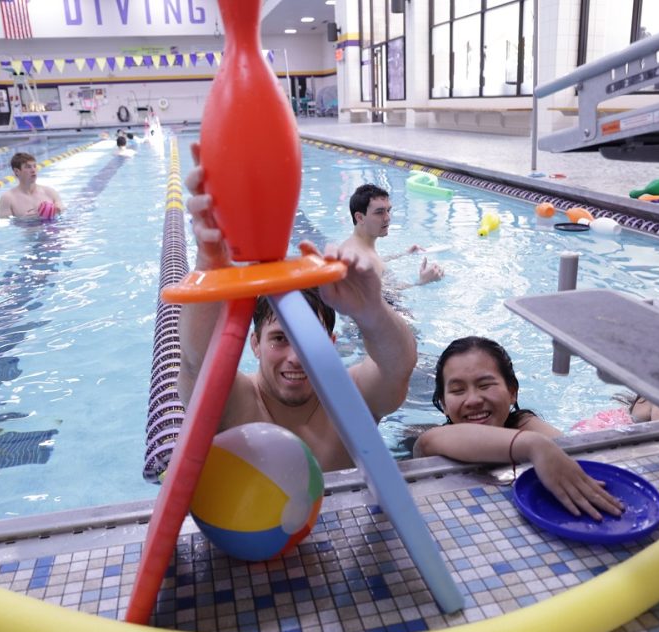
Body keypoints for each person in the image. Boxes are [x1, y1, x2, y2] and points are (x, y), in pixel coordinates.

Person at [178, 143, 417, 472]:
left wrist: (372, 311)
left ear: (332, 345)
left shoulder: (352, 397)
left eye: (310, 338)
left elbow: (398, 367)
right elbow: (196, 364)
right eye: (279, 338)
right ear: (255, 345)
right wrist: (209, 262)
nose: (296, 356)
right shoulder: (236, 403)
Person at [414, 336, 623, 520]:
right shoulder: (436, 441)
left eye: (485, 385)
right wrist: (534, 445)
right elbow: (427, 441)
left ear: (512, 392)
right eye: (458, 390)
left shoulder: (521, 423)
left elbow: (572, 456)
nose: (473, 400)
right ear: (443, 404)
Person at [340, 184, 444, 287]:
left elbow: (377, 262)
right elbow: (381, 296)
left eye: (388, 210)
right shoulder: (359, 260)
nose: (387, 218)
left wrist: (404, 254)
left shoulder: (358, 247)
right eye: (379, 212)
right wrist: (422, 282)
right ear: (360, 218)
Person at [0, 152, 64, 220]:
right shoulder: (7, 198)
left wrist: (57, 211)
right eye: (28, 167)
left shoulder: (50, 192)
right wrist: (24, 220)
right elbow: (6, 226)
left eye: (35, 166)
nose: (33, 170)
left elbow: (63, 212)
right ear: (17, 171)